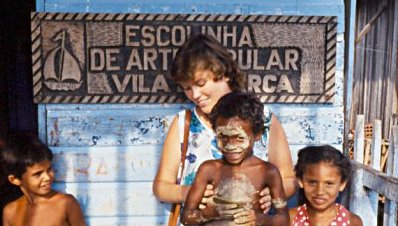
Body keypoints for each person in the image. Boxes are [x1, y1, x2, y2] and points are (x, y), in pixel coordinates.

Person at [152, 33, 296, 217]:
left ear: (225, 73)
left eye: (200, 83)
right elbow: (161, 186)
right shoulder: (184, 123)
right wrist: (188, 192)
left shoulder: (263, 118)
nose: (194, 95)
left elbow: (289, 178)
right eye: (187, 88)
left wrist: (273, 192)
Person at [181, 92, 289, 225]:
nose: (231, 146)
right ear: (216, 133)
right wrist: (208, 214)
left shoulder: (267, 172)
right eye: (223, 138)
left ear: (257, 134)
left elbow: (283, 220)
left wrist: (260, 219)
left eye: (239, 138)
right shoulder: (208, 169)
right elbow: (186, 217)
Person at [0, 132, 86, 226]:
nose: (47, 177)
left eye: (49, 169)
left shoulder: (65, 203)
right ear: (15, 180)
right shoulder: (10, 212)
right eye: (38, 174)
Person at [289, 145, 363, 226]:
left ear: (342, 184)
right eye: (312, 182)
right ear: (300, 181)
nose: (320, 192)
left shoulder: (352, 222)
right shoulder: (291, 219)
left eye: (329, 184)